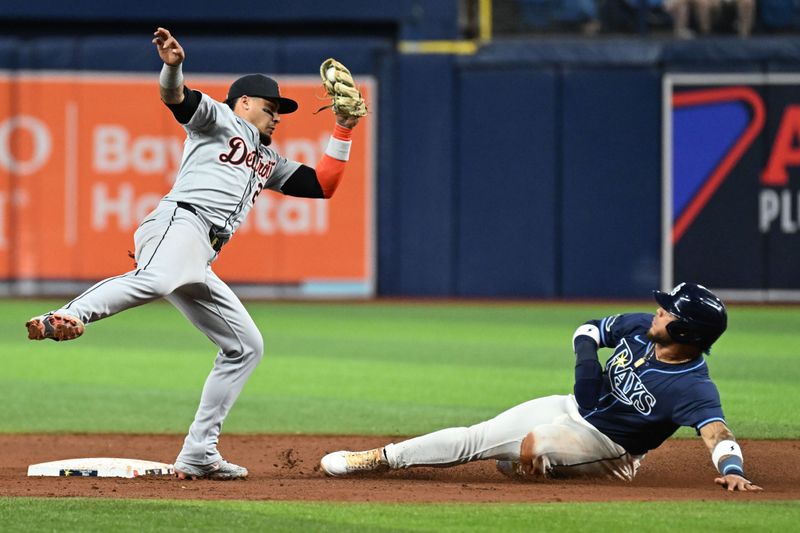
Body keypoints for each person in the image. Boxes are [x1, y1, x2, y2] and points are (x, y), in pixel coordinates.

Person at [25, 27, 362, 480]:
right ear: (243, 102)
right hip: (179, 222)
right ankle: (69, 315)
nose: (278, 115)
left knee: (245, 347)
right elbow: (176, 97)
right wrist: (172, 64)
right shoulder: (220, 120)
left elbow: (323, 185)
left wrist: (343, 129)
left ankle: (199, 452)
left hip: (200, 252)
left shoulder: (269, 160)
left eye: (281, 109)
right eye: (271, 106)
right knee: (157, 279)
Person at [321, 283, 763, 492]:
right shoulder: (639, 329)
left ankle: (537, 465)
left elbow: (717, 434)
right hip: (572, 408)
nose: (658, 311)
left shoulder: (693, 386)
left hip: (610, 447)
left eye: (668, 312)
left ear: (686, 332)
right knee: (477, 436)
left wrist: (734, 471)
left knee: (530, 447)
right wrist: (586, 365)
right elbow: (588, 328)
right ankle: (380, 458)